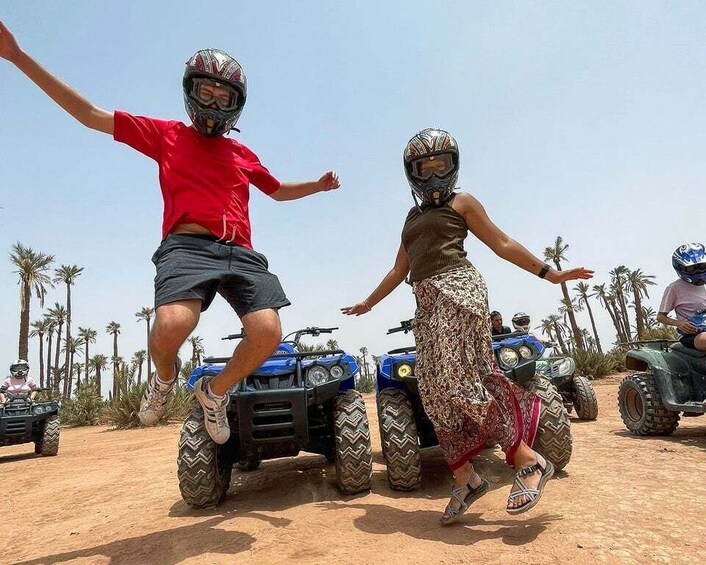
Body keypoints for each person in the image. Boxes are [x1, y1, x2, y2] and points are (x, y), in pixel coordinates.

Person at [0, 22, 340, 444]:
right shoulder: (166, 135)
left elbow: (276, 190)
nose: (215, 103)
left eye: (224, 97)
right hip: (187, 246)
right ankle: (163, 379)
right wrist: (17, 57)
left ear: (237, 105)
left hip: (240, 251)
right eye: (206, 93)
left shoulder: (242, 153)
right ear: (191, 93)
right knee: (171, 325)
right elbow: (89, 115)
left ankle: (214, 392)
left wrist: (317, 186)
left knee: (268, 331)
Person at [342, 128, 592, 523]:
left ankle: (527, 460)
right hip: (426, 302)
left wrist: (550, 273)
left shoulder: (463, 202)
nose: (431, 175)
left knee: (460, 380)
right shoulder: (411, 217)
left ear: (453, 167)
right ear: (411, 173)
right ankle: (466, 478)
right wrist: (368, 303)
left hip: (458, 290)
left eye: (439, 166)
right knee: (434, 391)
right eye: (422, 169)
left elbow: (502, 242)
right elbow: (398, 270)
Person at [657, 243, 706, 352]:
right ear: (681, 268)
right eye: (691, 268)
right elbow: (660, 317)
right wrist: (679, 323)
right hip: (691, 335)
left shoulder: (703, 286)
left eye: (701, 266)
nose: (697, 271)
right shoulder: (674, 288)